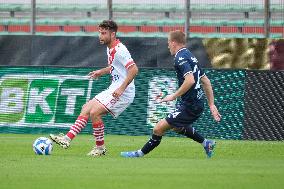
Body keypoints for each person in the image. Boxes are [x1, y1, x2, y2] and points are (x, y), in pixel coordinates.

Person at [121, 30, 221, 158]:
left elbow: (189, 80)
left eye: (168, 43)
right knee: (176, 127)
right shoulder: (190, 55)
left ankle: (138, 154)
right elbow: (205, 81)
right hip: (193, 102)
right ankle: (207, 143)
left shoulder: (180, 58)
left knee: (158, 128)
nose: (168, 46)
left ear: (173, 43)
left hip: (191, 105)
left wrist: (173, 96)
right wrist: (211, 105)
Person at [50, 20, 138, 157]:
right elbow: (115, 67)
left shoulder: (120, 50)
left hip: (124, 92)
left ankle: (100, 148)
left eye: (104, 33)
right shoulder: (110, 47)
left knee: (94, 112)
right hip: (114, 87)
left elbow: (134, 70)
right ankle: (66, 139)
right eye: (99, 33)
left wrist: (121, 89)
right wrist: (101, 72)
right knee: (86, 108)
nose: (100, 36)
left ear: (113, 34)